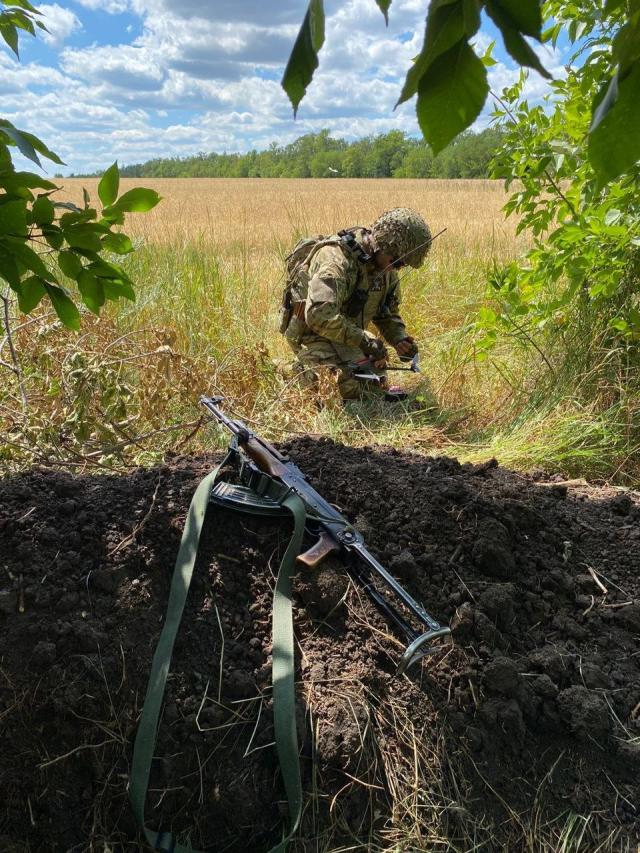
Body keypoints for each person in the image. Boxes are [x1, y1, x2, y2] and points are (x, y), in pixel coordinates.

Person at [282, 207, 432, 400]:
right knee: (339, 386)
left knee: (372, 384)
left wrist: (399, 339)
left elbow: (386, 313)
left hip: (346, 336)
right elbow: (319, 315)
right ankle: (284, 369)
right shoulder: (336, 260)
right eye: (397, 263)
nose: (398, 269)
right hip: (312, 335)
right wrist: (364, 341)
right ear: (384, 247)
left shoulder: (385, 269)